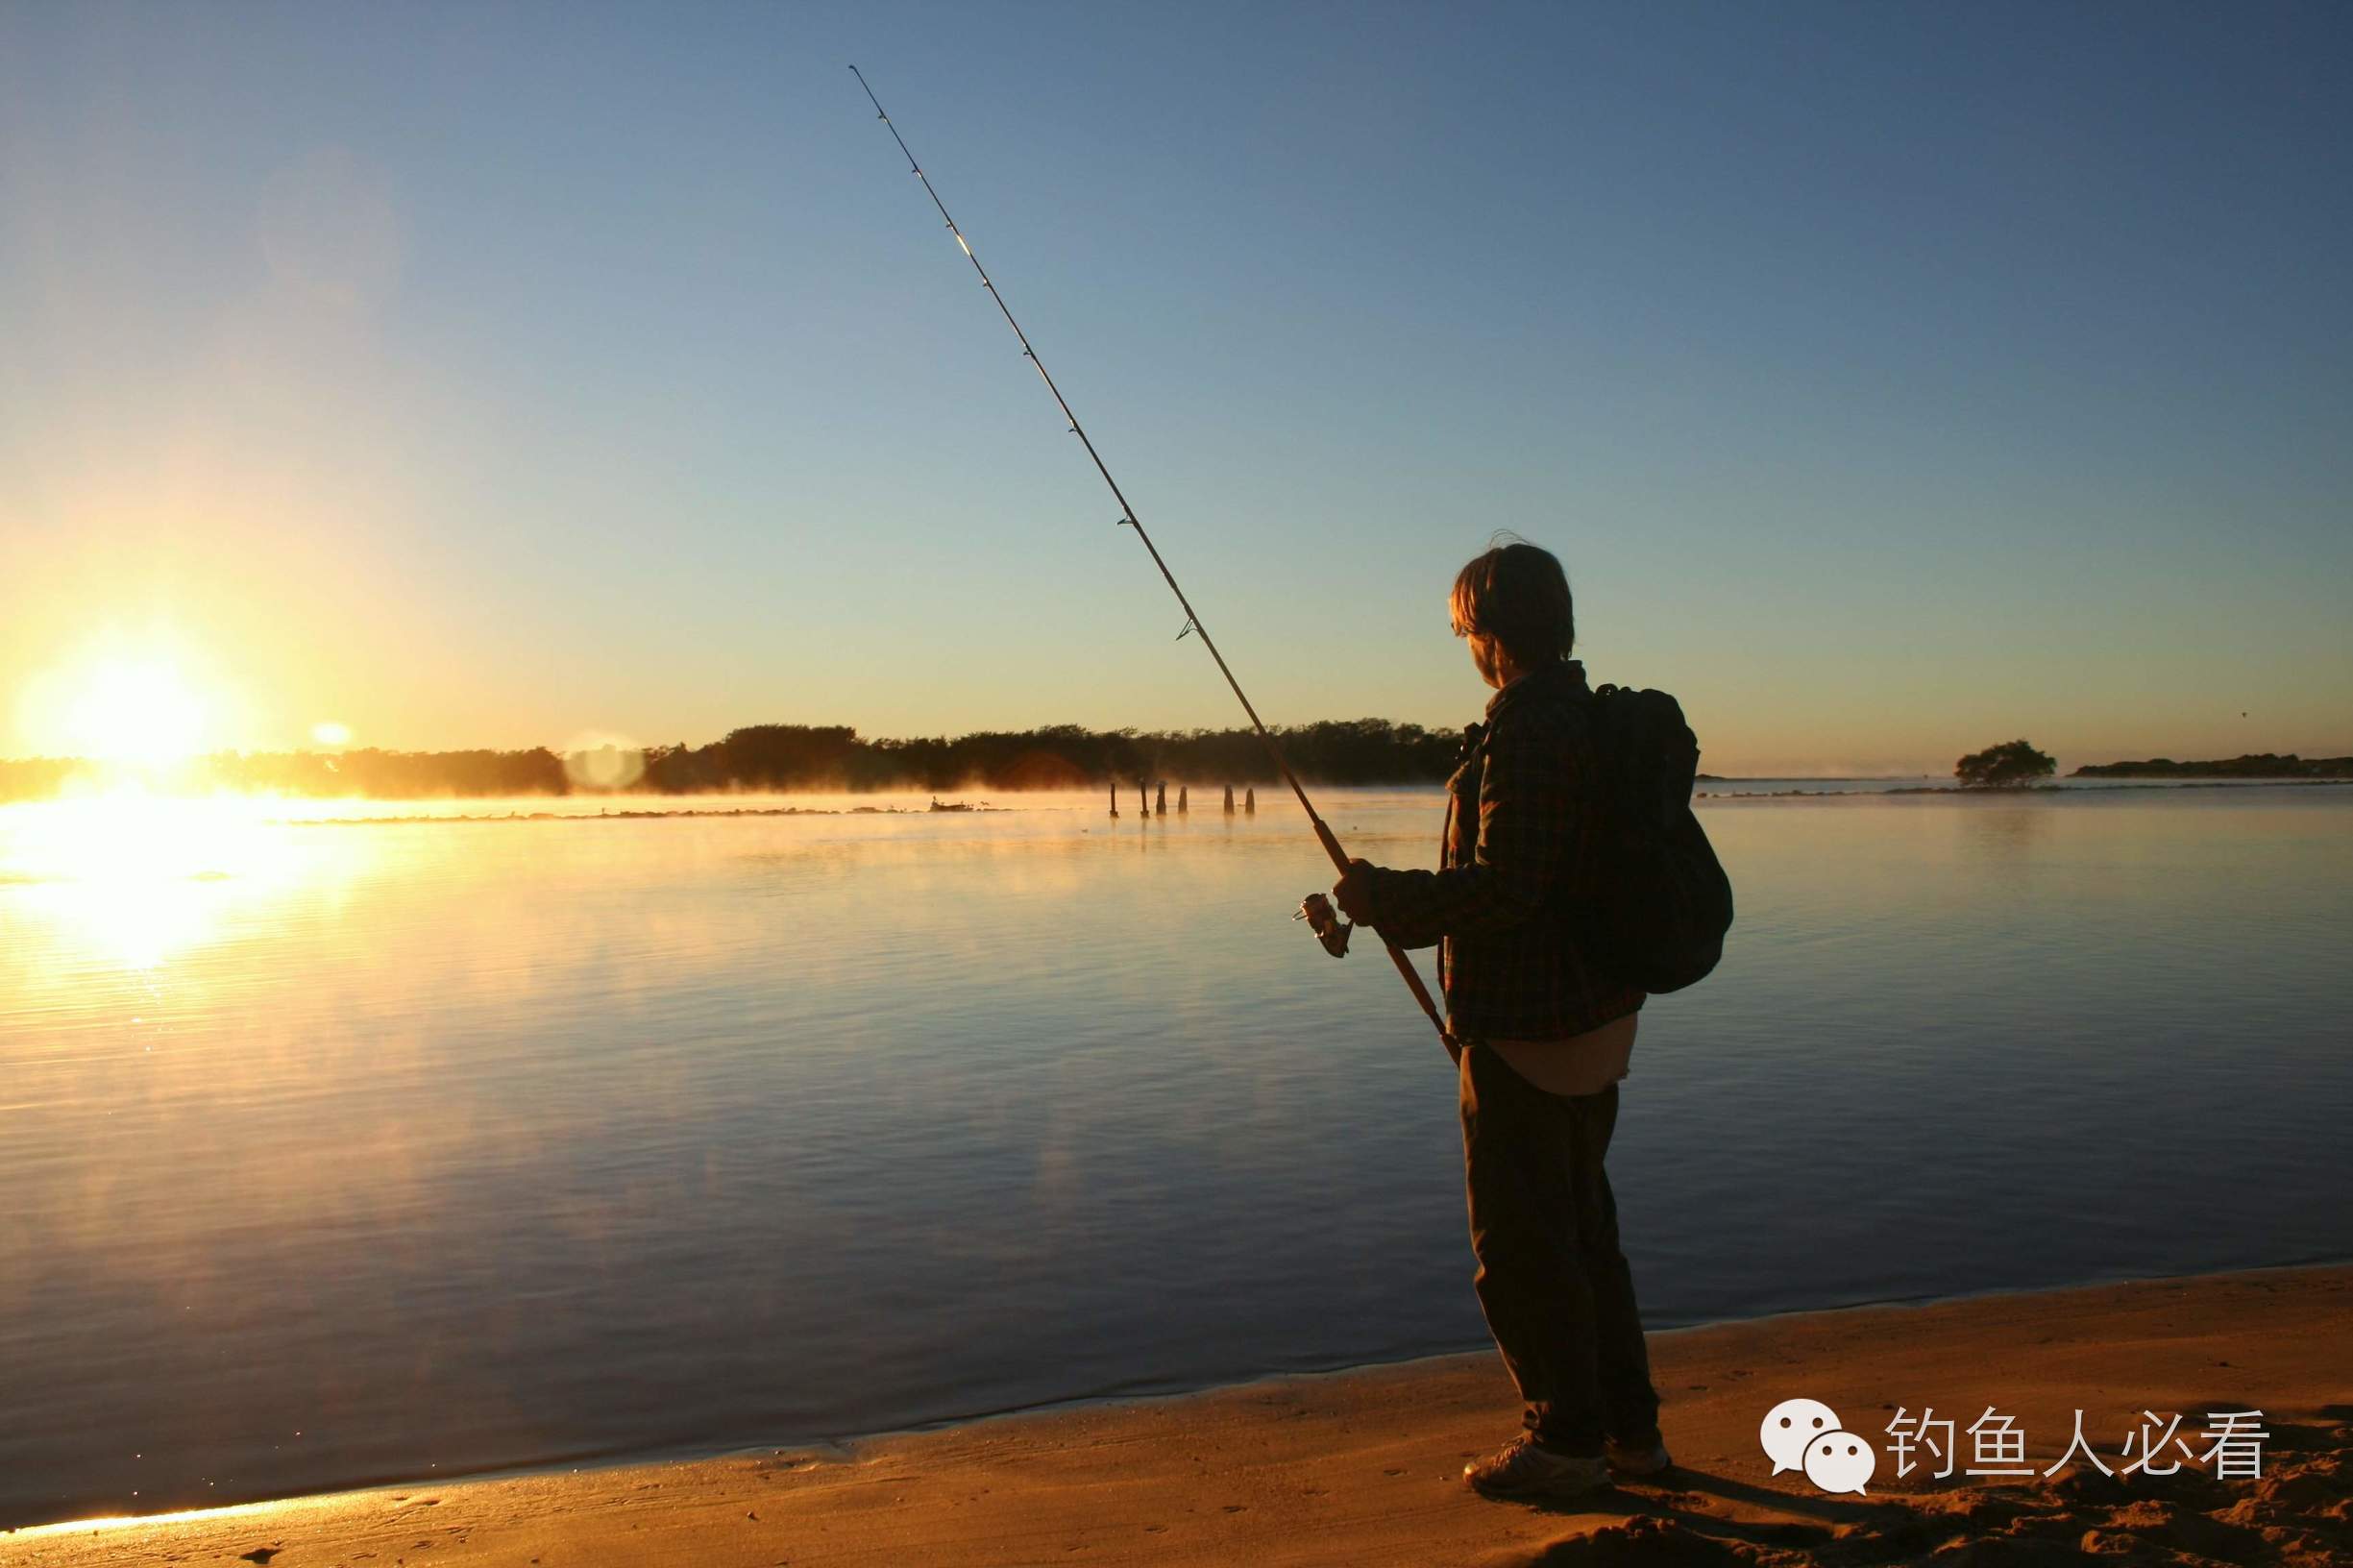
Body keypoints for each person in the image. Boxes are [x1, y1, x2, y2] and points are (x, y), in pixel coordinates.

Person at [1331, 538, 1670, 1501]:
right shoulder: (1589, 722)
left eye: (1458, 628)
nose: (1461, 646)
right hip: (1597, 1021)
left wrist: (1382, 898)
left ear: (1486, 630)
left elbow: (1507, 890)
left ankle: (1564, 1440)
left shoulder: (1527, 730)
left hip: (1531, 1030)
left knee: (1522, 1252)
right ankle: (1630, 1436)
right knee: (1586, 1236)